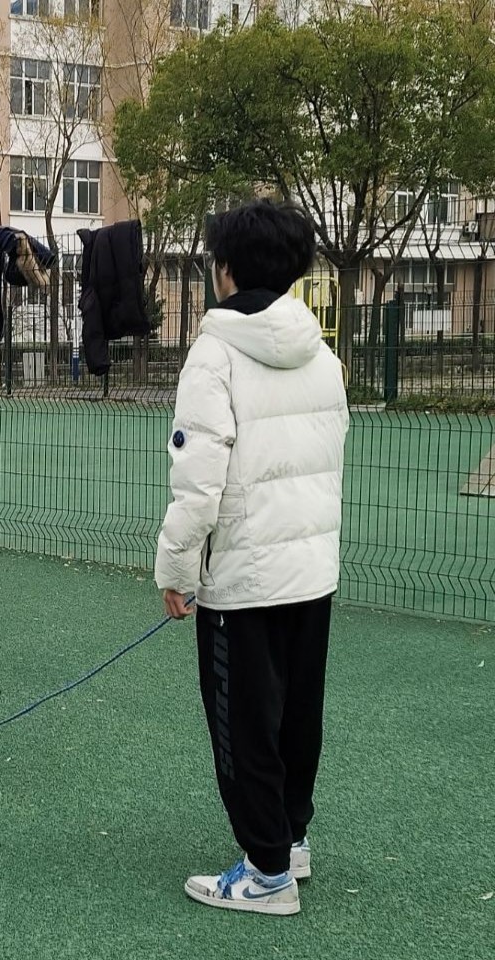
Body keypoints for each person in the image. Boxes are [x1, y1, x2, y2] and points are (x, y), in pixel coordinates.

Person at [155, 200, 349, 916]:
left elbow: (198, 481)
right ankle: (289, 840)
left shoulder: (215, 353)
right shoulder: (321, 353)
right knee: (298, 714)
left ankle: (267, 871)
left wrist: (177, 571)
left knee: (243, 724)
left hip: (243, 580)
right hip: (311, 570)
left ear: (226, 268)